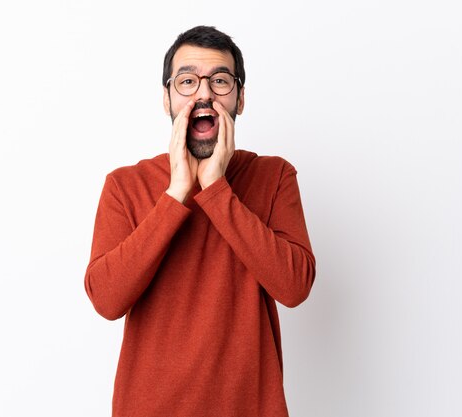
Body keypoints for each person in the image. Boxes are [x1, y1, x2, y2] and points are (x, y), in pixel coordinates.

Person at [84, 25, 316, 417]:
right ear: (167, 98)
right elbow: (107, 300)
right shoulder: (125, 186)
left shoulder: (275, 177)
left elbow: (294, 288)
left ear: (240, 99)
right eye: (188, 81)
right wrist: (176, 193)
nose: (204, 93)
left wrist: (216, 188)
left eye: (220, 80)